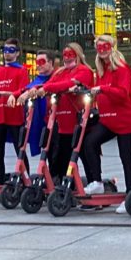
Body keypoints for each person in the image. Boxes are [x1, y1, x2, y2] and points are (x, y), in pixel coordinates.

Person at [80, 34, 131, 213]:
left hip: (125, 120)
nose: (102, 51)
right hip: (108, 119)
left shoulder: (122, 68)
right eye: (99, 48)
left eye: (105, 47)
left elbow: (123, 93)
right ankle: (97, 182)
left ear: (112, 48)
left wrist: (103, 89)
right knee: (90, 142)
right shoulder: (101, 70)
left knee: (126, 159)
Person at [41, 43, 93, 180]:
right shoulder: (60, 72)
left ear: (78, 55)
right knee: (62, 158)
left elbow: (67, 84)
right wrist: (33, 91)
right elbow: (50, 84)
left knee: (85, 157)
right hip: (63, 124)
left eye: (71, 54)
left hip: (79, 122)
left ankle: (94, 182)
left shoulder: (84, 71)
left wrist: (47, 88)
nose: (67, 58)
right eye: (65, 54)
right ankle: (64, 183)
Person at [0, 39, 29, 186]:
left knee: (19, 149)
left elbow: (22, 90)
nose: (7, 53)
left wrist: (1, 92)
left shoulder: (22, 70)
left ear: (17, 53)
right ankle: (0, 181)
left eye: (11, 50)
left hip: (15, 116)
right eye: (5, 50)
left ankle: (26, 179)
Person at [12, 50, 55, 157]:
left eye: (42, 62)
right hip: (45, 121)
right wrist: (14, 94)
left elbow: (49, 85)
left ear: (50, 62)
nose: (39, 65)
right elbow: (27, 88)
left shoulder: (57, 75)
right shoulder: (38, 79)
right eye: (37, 62)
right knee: (49, 156)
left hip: (58, 122)